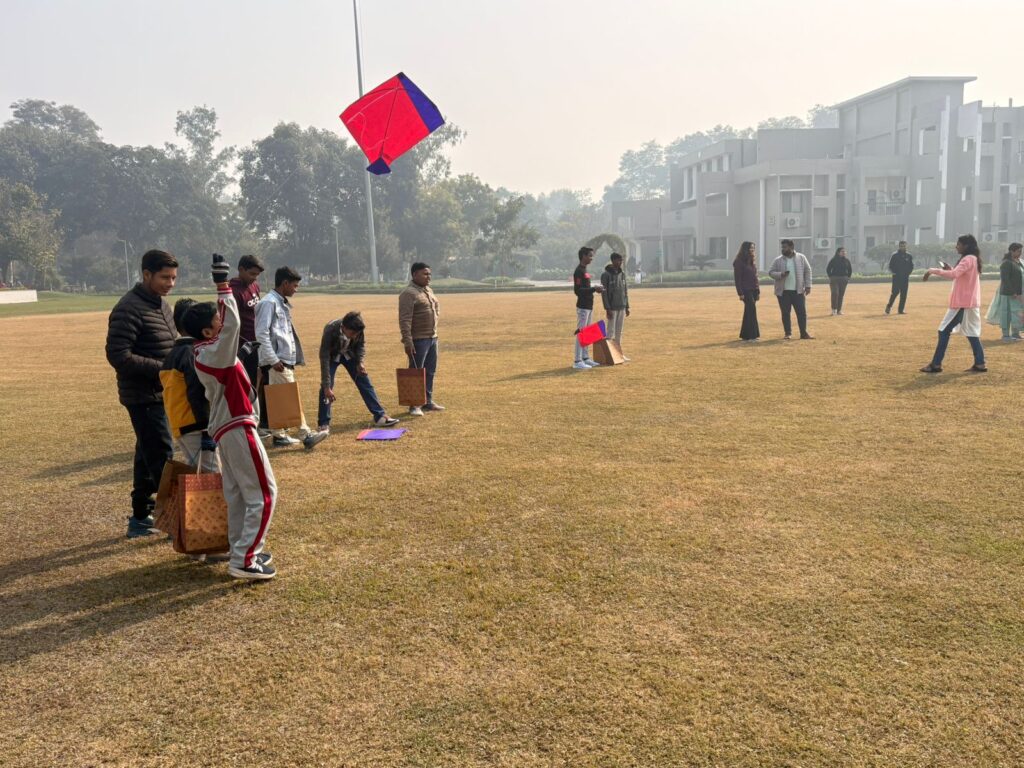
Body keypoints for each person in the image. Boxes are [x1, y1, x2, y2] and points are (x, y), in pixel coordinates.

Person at [188, 254, 277, 580]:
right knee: (264, 494)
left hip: (230, 427)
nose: (221, 320)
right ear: (207, 329)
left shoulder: (207, 351)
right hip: (237, 425)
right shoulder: (214, 351)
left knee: (239, 494)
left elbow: (229, 333)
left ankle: (240, 550)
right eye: (216, 318)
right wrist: (222, 286)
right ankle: (245, 559)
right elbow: (234, 325)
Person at [105, 249, 178, 538]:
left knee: (146, 454)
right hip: (143, 396)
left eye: (173, 278)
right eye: (164, 277)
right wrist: (163, 369)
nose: (170, 283)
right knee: (162, 457)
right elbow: (118, 355)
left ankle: (140, 516)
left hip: (163, 392)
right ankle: (178, 522)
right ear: (146, 274)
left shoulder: (161, 305)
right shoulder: (128, 308)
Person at [254, 266, 328, 449]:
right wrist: (273, 360)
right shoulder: (269, 303)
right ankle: (306, 435)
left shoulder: (279, 302)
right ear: (285, 283)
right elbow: (261, 334)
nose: (296, 289)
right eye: (294, 285)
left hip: (282, 359)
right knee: (290, 397)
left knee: (280, 398)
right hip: (277, 361)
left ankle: (279, 436)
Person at [160, 298, 219, 472]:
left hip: (181, 424)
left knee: (197, 471)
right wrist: (205, 428)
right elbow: (196, 393)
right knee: (212, 474)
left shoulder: (173, 353)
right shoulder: (192, 353)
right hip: (195, 425)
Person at [317, 311, 400, 431]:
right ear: (344, 327)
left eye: (357, 334)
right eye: (352, 333)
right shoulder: (330, 330)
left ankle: (380, 416)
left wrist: (360, 362)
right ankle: (323, 424)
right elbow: (324, 357)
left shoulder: (358, 328)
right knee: (327, 388)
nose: (355, 336)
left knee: (364, 381)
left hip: (349, 355)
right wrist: (326, 386)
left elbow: (360, 346)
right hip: (331, 357)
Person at [920, 235, 986, 373]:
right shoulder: (973, 258)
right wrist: (949, 268)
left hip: (962, 303)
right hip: (970, 302)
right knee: (972, 333)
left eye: (958, 244)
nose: (956, 246)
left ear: (966, 246)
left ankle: (936, 364)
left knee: (943, 330)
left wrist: (932, 270)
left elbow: (954, 275)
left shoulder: (967, 259)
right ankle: (980, 363)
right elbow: (958, 274)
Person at [399, 262, 444, 416]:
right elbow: (404, 320)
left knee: (430, 371)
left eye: (429, 274)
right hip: (418, 339)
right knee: (415, 372)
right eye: (425, 274)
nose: (428, 277)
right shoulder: (408, 293)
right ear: (414, 275)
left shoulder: (428, 290)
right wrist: (408, 341)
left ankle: (427, 401)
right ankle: (414, 405)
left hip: (432, 338)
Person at [229, 255, 267, 436]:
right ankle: (247, 424)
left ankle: (259, 422)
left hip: (258, 344)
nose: (254, 278)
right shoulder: (232, 291)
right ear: (241, 269)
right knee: (246, 385)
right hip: (243, 348)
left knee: (258, 383)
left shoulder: (254, 286)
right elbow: (230, 324)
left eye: (257, 275)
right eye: (252, 274)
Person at [768, 240, 814, 340]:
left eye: (785, 247)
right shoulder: (778, 260)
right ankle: (788, 333)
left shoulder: (801, 257)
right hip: (783, 292)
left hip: (798, 291)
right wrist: (781, 274)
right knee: (785, 313)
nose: (783, 249)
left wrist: (808, 285)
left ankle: (803, 333)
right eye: (782, 247)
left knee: (802, 313)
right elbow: (771, 272)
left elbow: (808, 271)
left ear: (791, 247)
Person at [572, 246, 605, 369]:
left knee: (587, 333)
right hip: (583, 306)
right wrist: (593, 289)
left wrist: (595, 289)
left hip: (589, 306)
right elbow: (578, 291)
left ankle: (585, 358)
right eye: (590, 255)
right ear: (583, 256)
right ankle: (577, 361)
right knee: (581, 333)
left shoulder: (585, 270)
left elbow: (586, 288)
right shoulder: (579, 271)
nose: (592, 258)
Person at [985, 243, 1024, 341]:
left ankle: (1015, 333)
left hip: (1019, 293)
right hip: (1008, 293)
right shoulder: (1006, 263)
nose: (1020, 253)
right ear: (1012, 251)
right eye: (1018, 251)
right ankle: (1006, 335)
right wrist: (1012, 292)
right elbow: (1005, 279)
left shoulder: (1020, 262)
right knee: (1006, 313)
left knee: (1017, 313)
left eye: (1021, 251)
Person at [600, 252, 631, 359]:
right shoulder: (606, 275)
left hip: (622, 306)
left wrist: (627, 306)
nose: (621, 262)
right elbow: (604, 294)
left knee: (619, 332)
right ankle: (609, 356)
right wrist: (607, 308)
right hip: (612, 308)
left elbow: (625, 291)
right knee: (610, 332)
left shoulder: (622, 274)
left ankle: (618, 354)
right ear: (613, 260)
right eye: (619, 260)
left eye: (621, 260)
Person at [733, 241, 760, 342]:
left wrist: (758, 291)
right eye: (750, 248)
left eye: (753, 248)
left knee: (748, 312)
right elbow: (737, 279)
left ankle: (745, 335)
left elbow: (755, 277)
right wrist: (740, 293)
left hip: (753, 290)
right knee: (751, 311)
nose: (752, 250)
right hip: (745, 290)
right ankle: (752, 336)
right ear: (745, 249)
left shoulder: (751, 261)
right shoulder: (738, 262)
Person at [886, 241, 914, 315]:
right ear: (899, 246)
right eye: (901, 246)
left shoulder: (909, 256)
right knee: (895, 293)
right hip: (896, 278)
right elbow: (890, 266)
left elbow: (911, 266)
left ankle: (900, 310)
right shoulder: (895, 255)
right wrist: (893, 272)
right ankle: (889, 306)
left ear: (906, 246)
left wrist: (909, 273)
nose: (902, 247)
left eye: (904, 246)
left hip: (905, 278)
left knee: (904, 294)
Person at [826, 246, 853, 315]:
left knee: (841, 295)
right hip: (834, 279)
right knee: (835, 293)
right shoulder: (833, 260)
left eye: (844, 251)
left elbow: (850, 270)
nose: (844, 252)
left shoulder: (847, 260)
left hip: (844, 279)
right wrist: (831, 277)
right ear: (838, 252)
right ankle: (834, 310)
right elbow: (828, 269)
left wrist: (848, 277)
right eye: (842, 251)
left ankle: (839, 310)